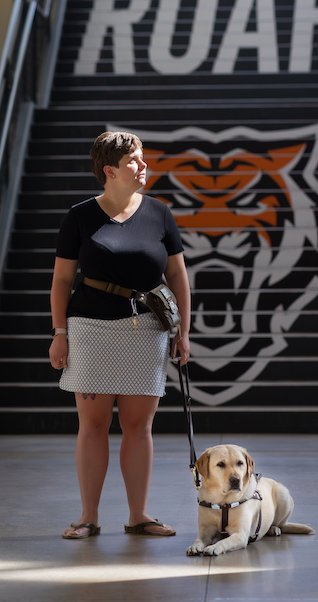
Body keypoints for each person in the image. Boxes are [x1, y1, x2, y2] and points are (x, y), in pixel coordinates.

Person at [49, 131, 190, 539]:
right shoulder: (79, 216)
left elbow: (178, 275)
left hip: (147, 330)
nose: (144, 166)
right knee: (91, 425)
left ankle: (138, 515)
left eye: (143, 159)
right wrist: (60, 333)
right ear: (109, 171)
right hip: (89, 329)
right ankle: (88, 517)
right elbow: (61, 280)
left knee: (138, 426)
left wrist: (183, 332)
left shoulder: (160, 213)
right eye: (134, 161)